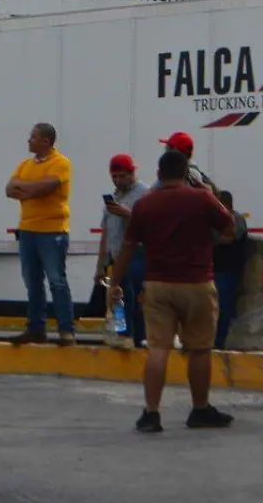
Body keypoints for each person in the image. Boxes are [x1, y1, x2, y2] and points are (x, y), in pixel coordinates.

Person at [111, 150, 236, 432]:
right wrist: (209, 193)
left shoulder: (144, 204)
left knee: (158, 348)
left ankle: (151, 414)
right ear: (184, 174)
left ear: (158, 174)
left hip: (157, 284)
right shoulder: (201, 199)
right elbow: (229, 230)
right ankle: (200, 409)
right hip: (197, 283)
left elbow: (128, 246)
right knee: (200, 349)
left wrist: (115, 282)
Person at [6, 122, 76, 346]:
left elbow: (46, 187)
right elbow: (9, 189)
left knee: (57, 281)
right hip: (27, 230)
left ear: (46, 141)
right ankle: (36, 329)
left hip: (52, 231)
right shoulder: (25, 164)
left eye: (33, 137)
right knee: (32, 281)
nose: (29, 140)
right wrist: (33, 189)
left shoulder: (61, 163)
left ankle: (66, 330)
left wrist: (25, 189)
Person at [93, 154, 150, 347]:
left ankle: (138, 335)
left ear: (131, 173)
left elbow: (152, 225)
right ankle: (121, 333)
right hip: (115, 255)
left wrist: (127, 213)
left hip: (137, 253)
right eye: (114, 177)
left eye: (121, 176)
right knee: (117, 297)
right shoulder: (114, 198)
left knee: (135, 297)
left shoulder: (144, 194)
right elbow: (106, 232)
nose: (117, 181)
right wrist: (100, 265)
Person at [213, 190, 250, 350]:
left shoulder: (237, 219)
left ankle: (219, 342)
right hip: (214, 270)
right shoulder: (217, 220)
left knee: (223, 308)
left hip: (227, 271)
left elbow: (228, 238)